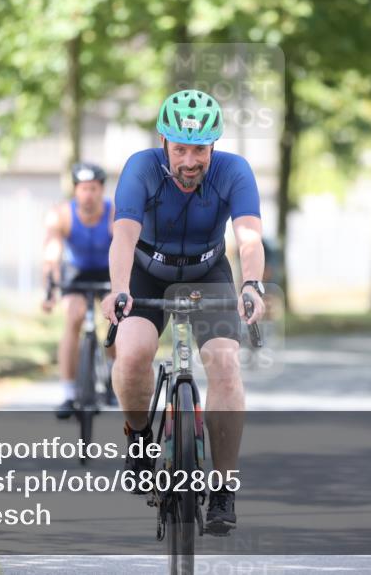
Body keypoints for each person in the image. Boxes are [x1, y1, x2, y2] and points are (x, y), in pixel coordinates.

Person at [101, 89, 265, 535]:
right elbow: (124, 236)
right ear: (163, 142)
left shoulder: (235, 171)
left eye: (200, 150)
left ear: (214, 145)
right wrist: (118, 289)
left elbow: (249, 237)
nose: (189, 161)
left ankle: (224, 488)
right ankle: (138, 438)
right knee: (132, 354)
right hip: (145, 272)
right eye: (180, 149)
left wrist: (251, 285)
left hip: (206, 272)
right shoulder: (141, 168)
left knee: (225, 365)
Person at [42, 162, 115, 419]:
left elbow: (124, 247)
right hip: (76, 271)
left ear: (101, 190)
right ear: (75, 191)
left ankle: (111, 372)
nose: (89, 194)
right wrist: (49, 289)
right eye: (83, 189)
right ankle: (68, 393)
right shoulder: (61, 214)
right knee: (73, 316)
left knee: (117, 317)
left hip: (109, 269)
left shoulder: (113, 213)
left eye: (94, 189)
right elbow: (51, 252)